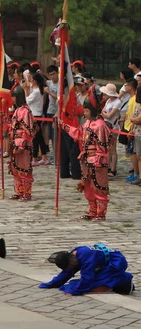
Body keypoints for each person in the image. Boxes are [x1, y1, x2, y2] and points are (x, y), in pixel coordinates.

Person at [60, 88, 110, 220]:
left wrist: (99, 159)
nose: (84, 113)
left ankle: (101, 213)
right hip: (87, 160)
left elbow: (103, 146)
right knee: (88, 187)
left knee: (98, 187)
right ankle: (92, 210)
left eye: (87, 110)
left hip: (97, 161)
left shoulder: (100, 125)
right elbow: (78, 134)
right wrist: (64, 126)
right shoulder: (86, 123)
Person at [40, 244, 134, 296]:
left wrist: (74, 292)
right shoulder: (74, 256)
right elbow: (66, 273)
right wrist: (52, 284)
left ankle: (125, 280)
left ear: (71, 261)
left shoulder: (86, 258)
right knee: (77, 284)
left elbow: (87, 278)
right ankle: (116, 280)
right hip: (103, 265)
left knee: (94, 286)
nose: (70, 269)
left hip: (115, 263)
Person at [8, 85, 37, 201]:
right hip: (15, 142)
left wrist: (22, 144)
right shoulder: (16, 110)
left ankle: (27, 192)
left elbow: (29, 131)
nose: (13, 99)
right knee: (15, 169)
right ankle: (19, 191)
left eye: (14, 97)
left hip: (24, 144)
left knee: (24, 169)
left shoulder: (26, 112)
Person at [99, 83, 122, 178]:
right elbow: (103, 112)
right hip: (106, 125)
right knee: (107, 148)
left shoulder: (117, 102)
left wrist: (104, 114)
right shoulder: (108, 101)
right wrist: (104, 114)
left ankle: (113, 169)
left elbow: (109, 115)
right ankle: (107, 166)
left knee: (112, 149)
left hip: (113, 127)